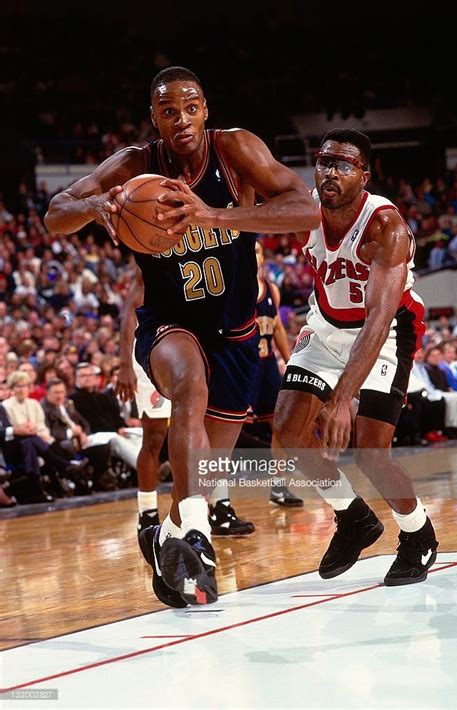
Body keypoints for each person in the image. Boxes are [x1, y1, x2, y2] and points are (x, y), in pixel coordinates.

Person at [44, 66, 317, 607]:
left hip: (236, 335)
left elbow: (307, 209)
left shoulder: (235, 150)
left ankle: (170, 542)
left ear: (205, 108)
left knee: (203, 471)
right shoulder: (136, 164)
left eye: (190, 106)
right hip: (170, 324)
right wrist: (92, 206)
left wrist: (214, 215)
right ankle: (197, 533)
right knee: (188, 383)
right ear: (155, 118)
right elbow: (55, 213)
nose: (182, 118)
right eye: (169, 110)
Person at [273, 128, 439, 587]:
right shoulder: (305, 207)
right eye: (325, 162)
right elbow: (253, 207)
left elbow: (378, 319)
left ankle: (418, 533)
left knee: (370, 451)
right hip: (326, 326)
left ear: (363, 175)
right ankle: (354, 517)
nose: (331, 171)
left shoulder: (386, 227)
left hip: (385, 332)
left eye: (344, 165)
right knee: (288, 429)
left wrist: (345, 397)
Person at [115, 265, 256, 537]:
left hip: (199, 344)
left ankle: (218, 506)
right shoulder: (153, 248)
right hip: (159, 349)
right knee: (154, 437)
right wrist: (124, 364)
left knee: (210, 431)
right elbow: (130, 311)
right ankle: (147, 512)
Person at [242, 241, 303, 507]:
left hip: (266, 366)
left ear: (263, 258)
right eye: (249, 250)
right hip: (243, 367)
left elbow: (277, 327)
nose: (253, 256)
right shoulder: (234, 288)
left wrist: (290, 361)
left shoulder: (272, 290)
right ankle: (215, 499)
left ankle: (278, 486)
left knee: (280, 425)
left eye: (256, 251)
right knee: (226, 431)